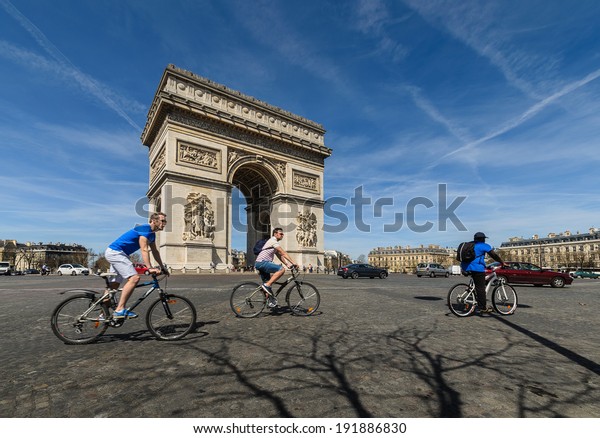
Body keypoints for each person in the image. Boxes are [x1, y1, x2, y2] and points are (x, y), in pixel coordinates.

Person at [105, 212, 168, 318]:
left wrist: (162, 267)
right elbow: (144, 249)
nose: (164, 223)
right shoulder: (145, 229)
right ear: (153, 220)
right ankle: (120, 309)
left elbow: (155, 251)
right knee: (134, 278)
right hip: (116, 252)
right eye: (162, 221)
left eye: (165, 221)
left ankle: (103, 313)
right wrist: (150, 268)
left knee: (113, 286)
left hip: (118, 253)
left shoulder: (152, 234)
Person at [460, 232, 505, 314]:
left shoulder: (470, 245)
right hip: (477, 268)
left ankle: (472, 293)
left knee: (477, 284)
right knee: (480, 288)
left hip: (464, 267)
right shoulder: (483, 245)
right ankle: (483, 308)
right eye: (484, 239)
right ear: (482, 239)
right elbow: (494, 255)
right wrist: (502, 262)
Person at [254, 227, 298, 307]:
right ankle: (267, 286)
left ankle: (269, 301)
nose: (282, 235)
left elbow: (279, 255)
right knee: (281, 270)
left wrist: (287, 264)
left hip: (260, 263)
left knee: (268, 285)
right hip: (262, 262)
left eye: (283, 234)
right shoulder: (273, 241)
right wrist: (294, 262)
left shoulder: (273, 243)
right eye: (281, 233)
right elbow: (283, 253)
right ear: (275, 234)